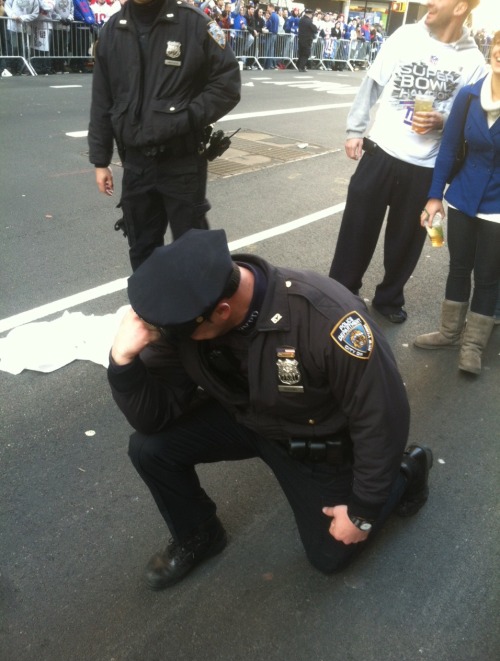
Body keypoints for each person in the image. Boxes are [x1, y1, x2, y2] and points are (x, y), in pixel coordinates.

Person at [108, 228, 433, 590]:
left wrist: (364, 511)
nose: (165, 338)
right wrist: (122, 363)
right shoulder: (187, 318)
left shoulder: (326, 321)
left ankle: (405, 473)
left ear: (222, 310)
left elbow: (382, 416)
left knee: (331, 554)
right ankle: (199, 534)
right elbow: (152, 418)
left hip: (312, 435)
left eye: (176, 334)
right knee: (149, 449)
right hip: (246, 417)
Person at [328, 0, 486, 324]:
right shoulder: (405, 36)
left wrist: (443, 120)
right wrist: (355, 129)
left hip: (425, 166)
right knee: (356, 229)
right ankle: (340, 293)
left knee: (406, 241)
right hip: (381, 152)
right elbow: (372, 82)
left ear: (459, 7)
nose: (429, 2)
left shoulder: (473, 61)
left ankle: (389, 298)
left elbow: (473, 116)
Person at [88, 0, 241, 270]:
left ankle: (201, 311)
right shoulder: (112, 30)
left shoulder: (194, 24)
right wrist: (100, 160)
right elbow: (102, 100)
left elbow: (227, 85)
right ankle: (151, 311)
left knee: (194, 248)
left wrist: (186, 117)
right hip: (136, 163)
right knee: (142, 248)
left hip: (182, 160)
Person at [414, 31, 500, 375]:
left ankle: (473, 345)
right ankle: (450, 333)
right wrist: (435, 196)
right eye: (499, 46)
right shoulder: (468, 97)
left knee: (489, 276)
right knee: (459, 266)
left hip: (498, 206)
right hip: (464, 197)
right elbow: (449, 149)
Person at [4, 0, 39, 75]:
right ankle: (11, 68)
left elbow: (35, 13)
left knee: (24, 49)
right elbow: (7, 6)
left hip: (26, 28)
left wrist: (23, 18)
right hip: (12, 27)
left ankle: (22, 68)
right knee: (13, 48)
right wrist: (13, 16)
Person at [297, 8, 317, 72]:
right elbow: (314, 29)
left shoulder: (301, 20)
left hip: (301, 39)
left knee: (301, 53)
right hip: (307, 39)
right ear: (310, 14)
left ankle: (299, 65)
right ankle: (302, 67)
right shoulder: (309, 21)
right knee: (306, 54)